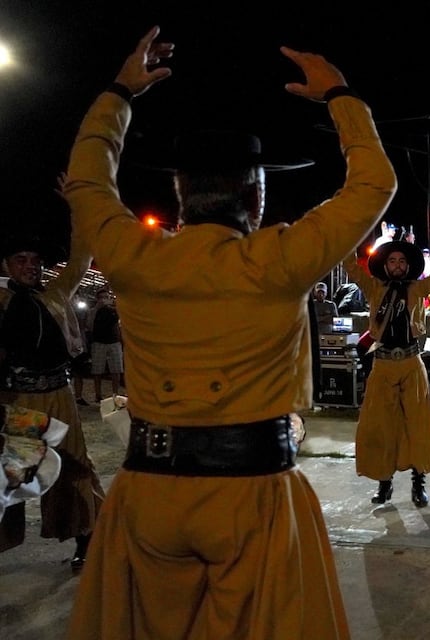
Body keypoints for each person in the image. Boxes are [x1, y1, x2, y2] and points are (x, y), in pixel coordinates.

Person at [63, 27, 397, 640]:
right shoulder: (277, 260)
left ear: (179, 193)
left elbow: (85, 181)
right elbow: (374, 185)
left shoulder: (134, 258)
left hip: (149, 493)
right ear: (257, 196)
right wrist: (341, 96)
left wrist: (119, 92)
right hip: (252, 495)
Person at [0, 233, 104, 573]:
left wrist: (81, 206)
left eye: (35, 260)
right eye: (21, 259)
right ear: (5, 265)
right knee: (17, 475)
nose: (31, 265)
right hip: (23, 401)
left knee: (74, 469)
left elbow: (80, 261)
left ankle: (88, 536)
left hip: (60, 394)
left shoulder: (55, 294)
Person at [341, 223, 430, 507]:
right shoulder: (373, 286)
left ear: (408, 265)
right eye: (392, 260)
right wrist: (351, 238)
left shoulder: (418, 287)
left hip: (410, 362)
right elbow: (351, 268)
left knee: (417, 425)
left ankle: (419, 485)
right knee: (382, 426)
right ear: (385, 264)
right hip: (382, 364)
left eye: (402, 261)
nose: (397, 265)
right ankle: (385, 484)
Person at [86, 287, 123, 402]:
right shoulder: (93, 311)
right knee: (97, 370)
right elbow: (89, 326)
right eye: (101, 298)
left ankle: (115, 394)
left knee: (116, 370)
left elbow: (120, 322)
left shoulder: (114, 310)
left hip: (114, 342)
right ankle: (98, 395)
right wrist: (97, 308)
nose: (104, 300)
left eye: (106, 297)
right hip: (99, 342)